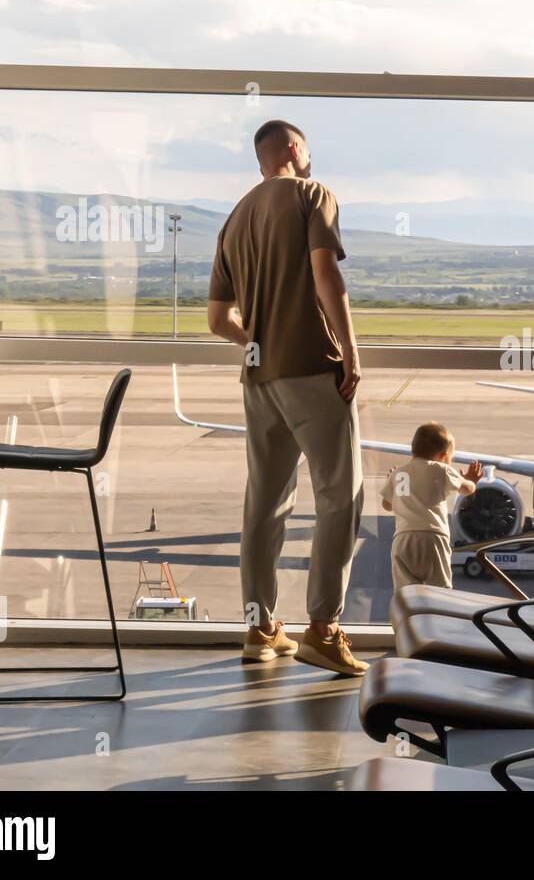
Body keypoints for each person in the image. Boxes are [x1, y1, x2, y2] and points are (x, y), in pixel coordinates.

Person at [206, 118, 367, 677]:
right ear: (296, 150)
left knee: (265, 504)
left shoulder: (234, 218)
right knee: (340, 499)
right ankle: (323, 628)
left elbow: (216, 320)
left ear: (263, 160)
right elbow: (326, 277)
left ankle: (260, 627)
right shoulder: (312, 194)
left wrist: (254, 338)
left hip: (259, 379)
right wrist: (349, 351)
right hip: (310, 371)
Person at [380, 422, 484, 594]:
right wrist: (471, 480)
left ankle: (407, 619)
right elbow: (467, 490)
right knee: (441, 590)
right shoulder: (441, 470)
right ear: (443, 456)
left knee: (405, 593)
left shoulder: (400, 474)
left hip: (404, 539)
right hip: (434, 538)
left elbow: (387, 505)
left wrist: (391, 480)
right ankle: (440, 618)